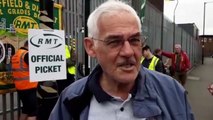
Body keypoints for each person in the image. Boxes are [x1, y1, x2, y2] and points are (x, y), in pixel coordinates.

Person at [49, 1, 194, 120]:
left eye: (134, 40)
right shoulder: (71, 99)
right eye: (114, 42)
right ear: (91, 47)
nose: (128, 52)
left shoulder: (173, 92)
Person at [12, 40, 38, 120]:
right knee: (33, 112)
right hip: (29, 87)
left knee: (26, 110)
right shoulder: (26, 54)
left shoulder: (16, 54)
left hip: (20, 88)